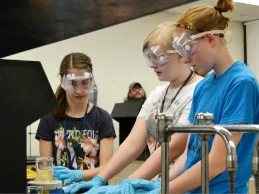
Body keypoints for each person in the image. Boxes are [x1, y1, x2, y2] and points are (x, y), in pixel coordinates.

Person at [63, 22, 203, 193]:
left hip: (182, 186)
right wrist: (100, 178)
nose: (151, 65)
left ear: (181, 53)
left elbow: (174, 148)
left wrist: (127, 183)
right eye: (148, 57)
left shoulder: (200, 92)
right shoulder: (157, 94)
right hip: (154, 186)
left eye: (157, 57)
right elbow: (132, 144)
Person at [162, 0, 259, 193]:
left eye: (188, 50)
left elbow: (217, 163)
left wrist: (163, 191)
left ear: (210, 39)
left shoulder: (241, 83)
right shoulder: (202, 86)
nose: (184, 60)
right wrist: (161, 184)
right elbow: (191, 153)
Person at [35, 52, 116, 184]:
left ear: (92, 81)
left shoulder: (103, 118)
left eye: (85, 83)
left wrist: (79, 175)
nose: (79, 91)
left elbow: (107, 168)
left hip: (93, 191)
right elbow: (45, 169)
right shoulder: (49, 119)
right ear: (62, 82)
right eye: (72, 83)